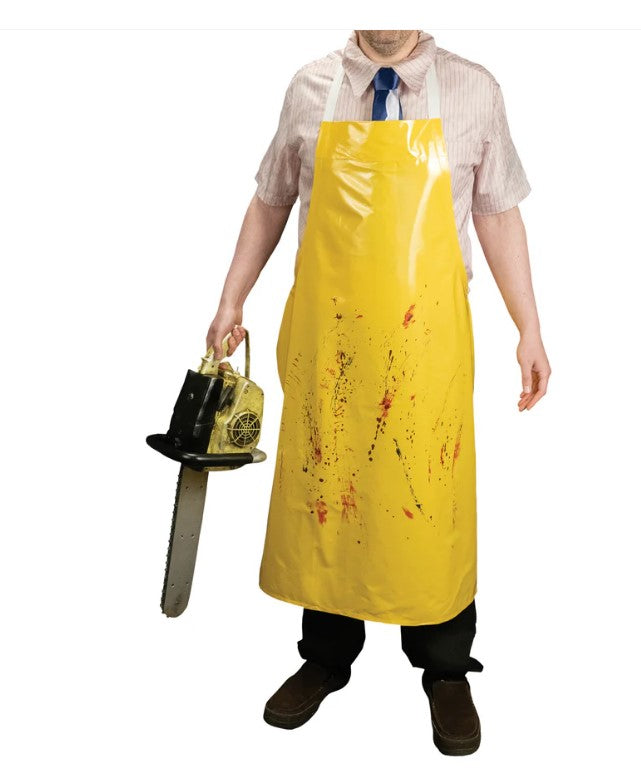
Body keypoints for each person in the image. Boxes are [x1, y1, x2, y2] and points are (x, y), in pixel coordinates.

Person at [206, 29, 551, 755]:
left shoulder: (474, 90)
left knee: (429, 494)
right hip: (330, 343)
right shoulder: (310, 87)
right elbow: (270, 202)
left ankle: (445, 667)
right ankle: (325, 656)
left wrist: (529, 327)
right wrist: (231, 298)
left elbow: (495, 212)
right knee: (329, 491)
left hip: (426, 346)